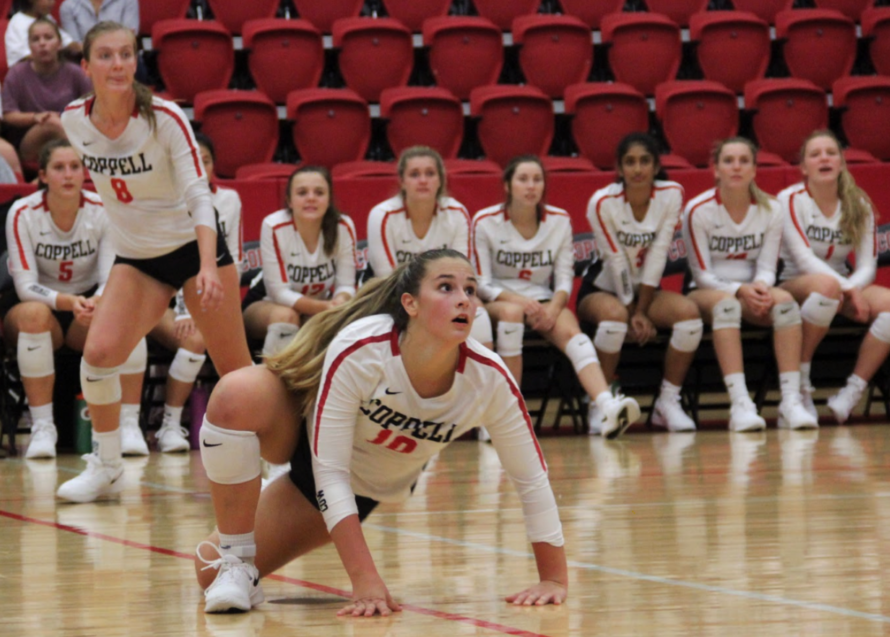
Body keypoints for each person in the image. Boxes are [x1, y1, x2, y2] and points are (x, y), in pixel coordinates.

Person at [193, 249, 567, 615]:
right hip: (307, 433)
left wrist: (553, 578)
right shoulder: (364, 348)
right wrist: (364, 578)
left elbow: (531, 477)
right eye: (446, 288)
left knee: (204, 571)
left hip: (359, 482)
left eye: (470, 290)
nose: (463, 301)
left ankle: (254, 510)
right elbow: (330, 472)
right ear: (410, 304)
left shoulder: (489, 378)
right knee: (235, 395)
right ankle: (236, 562)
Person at [55, 21, 252, 503]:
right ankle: (106, 466)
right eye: (105, 55)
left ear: (136, 61)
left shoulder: (164, 117)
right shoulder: (73, 121)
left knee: (238, 372)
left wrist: (208, 265)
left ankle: (274, 467)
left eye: (126, 54)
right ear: (85, 66)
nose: (117, 64)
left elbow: (198, 194)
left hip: (192, 249)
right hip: (138, 257)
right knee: (98, 356)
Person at [472, 155, 641, 439]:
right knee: (512, 318)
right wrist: (518, 301)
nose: (530, 186)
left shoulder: (559, 219)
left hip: (543, 298)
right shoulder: (485, 221)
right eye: (523, 179)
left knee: (575, 336)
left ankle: (605, 407)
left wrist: (554, 307)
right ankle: (503, 416)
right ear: (507, 185)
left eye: (537, 180)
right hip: (500, 299)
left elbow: (564, 278)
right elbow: (481, 282)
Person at [2, 139, 147, 459]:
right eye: (58, 168)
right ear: (41, 175)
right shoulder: (22, 212)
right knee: (34, 316)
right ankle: (43, 428)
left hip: (88, 302)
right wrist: (68, 302)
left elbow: (111, 276)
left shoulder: (103, 210)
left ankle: (129, 425)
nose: (68, 175)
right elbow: (25, 284)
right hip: (40, 301)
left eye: (74, 167)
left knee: (129, 315)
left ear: (85, 173)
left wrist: (95, 301)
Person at [682, 137, 818, 432]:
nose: (736, 167)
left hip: (753, 288)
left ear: (755, 169)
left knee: (786, 304)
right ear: (715, 169)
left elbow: (768, 266)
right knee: (727, 306)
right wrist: (740, 290)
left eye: (744, 161)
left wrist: (759, 287)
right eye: (728, 161)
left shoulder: (771, 208)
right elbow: (702, 273)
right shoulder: (697, 209)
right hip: (707, 290)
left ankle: (790, 402)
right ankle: (740, 403)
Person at [578, 133, 703, 433]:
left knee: (689, 315)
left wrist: (641, 310)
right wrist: (634, 311)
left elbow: (658, 255)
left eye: (645, 161)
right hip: (602, 287)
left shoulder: (671, 194)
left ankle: (667, 402)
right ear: (619, 169)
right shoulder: (602, 202)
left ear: (656, 166)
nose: (637, 169)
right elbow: (617, 262)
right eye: (630, 162)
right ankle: (600, 402)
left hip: (645, 290)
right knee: (615, 318)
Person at [778, 130, 890, 423]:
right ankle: (801, 385)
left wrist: (850, 288)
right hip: (795, 282)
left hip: (841, 284)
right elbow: (804, 260)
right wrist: (848, 290)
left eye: (831, 153)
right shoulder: (790, 199)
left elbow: (867, 266)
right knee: (827, 285)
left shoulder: (859, 205)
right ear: (804, 167)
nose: (824, 158)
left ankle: (852, 392)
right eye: (815, 154)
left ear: (842, 163)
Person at [147, 133, 243, 453]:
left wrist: (208, 306)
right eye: (192, 161)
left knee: (225, 349)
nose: (199, 167)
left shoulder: (229, 200)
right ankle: (170, 424)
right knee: (194, 340)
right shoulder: (162, 201)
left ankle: (248, 424)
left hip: (211, 293)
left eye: (205, 160)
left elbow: (233, 260)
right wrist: (187, 310)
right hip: (166, 296)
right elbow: (163, 266)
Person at [366, 145, 493, 350]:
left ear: (440, 179)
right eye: (415, 174)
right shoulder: (382, 215)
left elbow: (462, 273)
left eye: (430, 173)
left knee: (479, 316)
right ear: (402, 181)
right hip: (394, 299)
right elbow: (388, 280)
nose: (423, 180)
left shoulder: (457, 213)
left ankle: (484, 381)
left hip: (445, 296)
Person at [243, 165, 356, 361]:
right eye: (302, 192)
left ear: (329, 199)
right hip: (266, 303)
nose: (311, 198)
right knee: (287, 316)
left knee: (330, 321)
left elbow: (346, 284)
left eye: (319, 192)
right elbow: (278, 292)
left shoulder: (343, 226)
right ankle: (268, 383)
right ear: (289, 201)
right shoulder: (274, 225)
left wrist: (339, 303)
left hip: (320, 305)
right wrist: (325, 308)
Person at [2, 17, 92, 165]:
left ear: (59, 43)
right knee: (50, 123)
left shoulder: (75, 73)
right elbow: (9, 115)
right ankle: (86, 163)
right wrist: (36, 117)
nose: (42, 43)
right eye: (35, 39)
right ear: (29, 46)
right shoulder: (16, 74)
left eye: (48, 37)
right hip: (30, 139)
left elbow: (93, 109)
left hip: (73, 131)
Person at [5, 0, 79, 68]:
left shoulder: (48, 18)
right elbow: (23, 59)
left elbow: (70, 44)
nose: (52, 3)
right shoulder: (17, 23)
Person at [59, 0, 139, 43]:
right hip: (83, 57)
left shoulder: (128, 1)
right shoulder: (69, 5)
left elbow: (129, 36)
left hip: (121, 54)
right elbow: (73, 44)